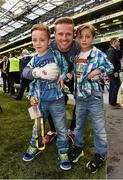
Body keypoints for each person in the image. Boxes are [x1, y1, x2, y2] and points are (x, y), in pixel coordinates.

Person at [23, 17, 80, 144]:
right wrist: (35, 73)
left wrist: (68, 74)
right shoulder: (47, 46)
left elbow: (84, 65)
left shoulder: (78, 46)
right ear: (53, 36)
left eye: (68, 34)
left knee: (82, 98)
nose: (64, 38)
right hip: (52, 80)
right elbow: (27, 71)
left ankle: (72, 131)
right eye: (60, 34)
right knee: (52, 99)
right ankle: (54, 130)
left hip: (72, 75)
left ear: (74, 34)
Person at [22, 23, 71, 170]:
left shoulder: (56, 55)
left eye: (41, 40)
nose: (37, 43)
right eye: (34, 40)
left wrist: (63, 77)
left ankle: (63, 153)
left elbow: (67, 70)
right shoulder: (33, 60)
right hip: (39, 102)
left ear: (49, 41)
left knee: (61, 128)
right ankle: (35, 146)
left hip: (56, 100)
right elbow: (27, 75)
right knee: (36, 127)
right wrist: (31, 96)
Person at [68, 24, 114, 173]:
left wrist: (97, 71)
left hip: (94, 96)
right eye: (81, 37)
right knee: (79, 125)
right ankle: (78, 147)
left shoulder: (98, 54)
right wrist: (68, 76)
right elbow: (73, 73)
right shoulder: (75, 55)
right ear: (77, 38)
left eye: (88, 37)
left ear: (93, 38)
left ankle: (101, 153)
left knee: (98, 127)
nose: (84, 39)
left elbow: (110, 67)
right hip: (80, 97)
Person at [106, 37, 122, 108]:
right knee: (117, 85)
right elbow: (110, 62)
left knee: (113, 86)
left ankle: (111, 102)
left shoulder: (114, 50)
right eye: (118, 41)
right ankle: (113, 103)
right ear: (114, 42)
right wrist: (114, 71)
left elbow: (120, 56)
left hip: (112, 71)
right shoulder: (111, 50)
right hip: (113, 72)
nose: (119, 43)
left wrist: (118, 49)